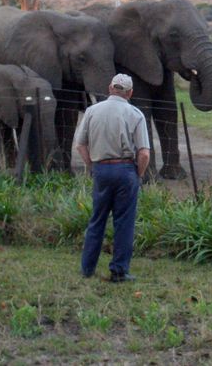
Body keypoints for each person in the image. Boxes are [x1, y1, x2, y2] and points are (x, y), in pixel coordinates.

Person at [74, 73, 150, 282]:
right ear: (130, 93)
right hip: (125, 170)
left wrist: (92, 165)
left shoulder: (92, 111)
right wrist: (139, 174)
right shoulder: (135, 114)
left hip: (101, 169)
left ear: (110, 88)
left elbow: (80, 144)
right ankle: (118, 271)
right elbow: (144, 153)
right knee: (124, 222)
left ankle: (87, 269)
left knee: (97, 219)